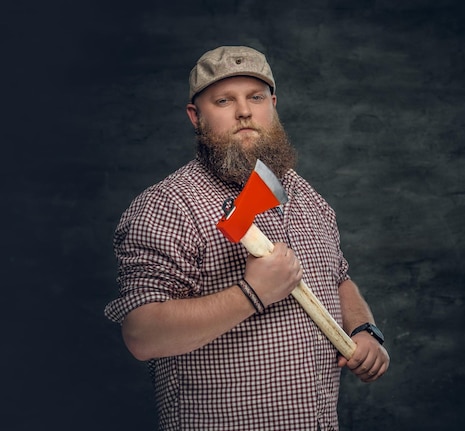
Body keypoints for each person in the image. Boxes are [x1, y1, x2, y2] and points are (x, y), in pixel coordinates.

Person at [105, 45, 390, 431]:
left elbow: (338, 279)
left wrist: (364, 331)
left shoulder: (305, 196)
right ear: (195, 115)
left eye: (255, 97)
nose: (244, 111)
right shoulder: (168, 206)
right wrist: (251, 293)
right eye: (224, 100)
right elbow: (142, 334)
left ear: (272, 104)